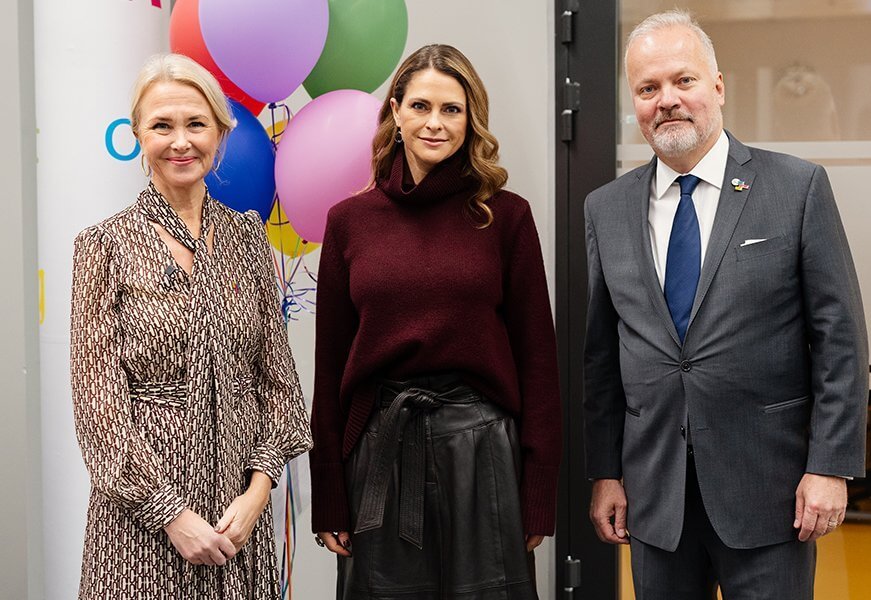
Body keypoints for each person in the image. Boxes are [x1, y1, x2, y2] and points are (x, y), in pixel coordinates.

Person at [582, 10, 868, 599]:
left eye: (683, 80)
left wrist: (831, 465)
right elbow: (601, 358)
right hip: (654, 498)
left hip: (771, 494)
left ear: (717, 87)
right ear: (633, 102)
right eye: (647, 88)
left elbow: (840, 339)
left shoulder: (796, 187)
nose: (667, 100)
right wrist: (606, 472)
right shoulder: (605, 210)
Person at [309, 44, 561, 599]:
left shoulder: (506, 216)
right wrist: (328, 489)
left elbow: (538, 360)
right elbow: (329, 366)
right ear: (395, 111)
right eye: (421, 106)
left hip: (484, 455)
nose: (435, 123)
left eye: (452, 109)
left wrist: (538, 489)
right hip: (379, 450)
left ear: (471, 120)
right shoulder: (349, 222)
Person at [70, 53, 312, 599]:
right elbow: (98, 415)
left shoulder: (248, 240)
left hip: (237, 529)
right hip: (140, 535)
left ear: (221, 134)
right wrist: (173, 517)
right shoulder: (103, 248)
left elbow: (279, 386)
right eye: (162, 125)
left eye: (196, 124)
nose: (181, 141)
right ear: (138, 135)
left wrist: (257, 494)